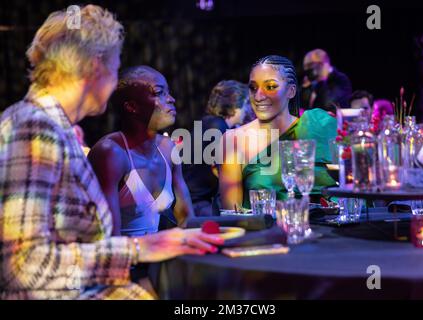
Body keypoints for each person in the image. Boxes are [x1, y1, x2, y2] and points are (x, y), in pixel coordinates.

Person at [0, 5, 222, 300]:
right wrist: (141, 249)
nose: (115, 81)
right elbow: (22, 267)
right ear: (95, 66)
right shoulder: (34, 129)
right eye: (116, 69)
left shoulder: (52, 128)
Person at [219, 55, 337, 210]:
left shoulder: (318, 126)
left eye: (270, 87)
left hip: (331, 230)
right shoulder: (233, 140)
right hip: (266, 232)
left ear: (291, 91)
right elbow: (232, 214)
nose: (258, 96)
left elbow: (350, 186)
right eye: (253, 88)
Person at [89, 65, 195, 235]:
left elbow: (187, 219)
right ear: (132, 106)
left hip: (156, 256)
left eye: (168, 92)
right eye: (159, 92)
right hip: (123, 258)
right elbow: (109, 240)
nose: (171, 99)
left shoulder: (168, 148)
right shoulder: (110, 153)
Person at [182, 80, 251, 216]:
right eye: (246, 104)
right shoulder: (218, 128)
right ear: (237, 104)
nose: (248, 110)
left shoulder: (207, 122)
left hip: (191, 201)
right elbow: (225, 174)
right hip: (199, 206)